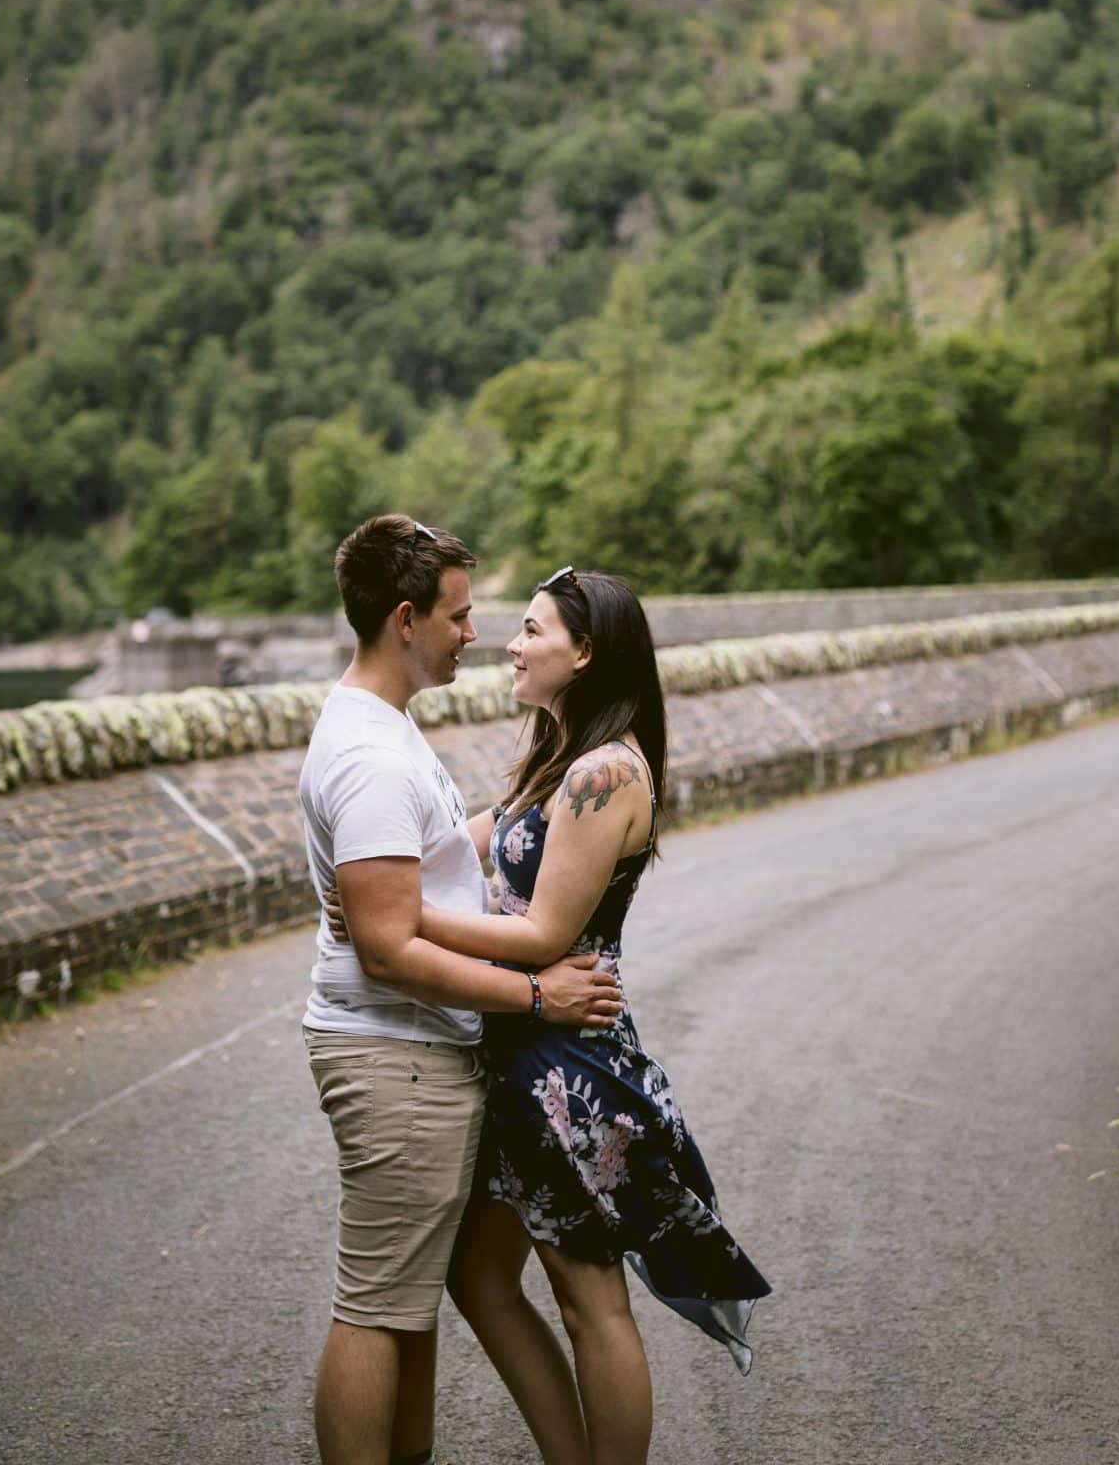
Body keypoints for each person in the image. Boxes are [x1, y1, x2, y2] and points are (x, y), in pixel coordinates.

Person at [332, 563, 768, 1465]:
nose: (509, 644)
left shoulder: (605, 773)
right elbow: (453, 844)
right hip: (517, 1053)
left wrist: (400, 922)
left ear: (585, 653)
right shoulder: (556, 764)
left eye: (533, 630)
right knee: (478, 1278)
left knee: (589, 1300)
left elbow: (541, 935)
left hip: (566, 1061)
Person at [298, 515, 624, 1465]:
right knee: (375, 1304)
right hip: (392, 1057)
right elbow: (391, 949)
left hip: (415, 1051)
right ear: (405, 620)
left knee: (402, 1303)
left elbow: (425, 871)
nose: (472, 634)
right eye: (458, 615)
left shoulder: (381, 727)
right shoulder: (370, 757)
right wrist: (536, 999)